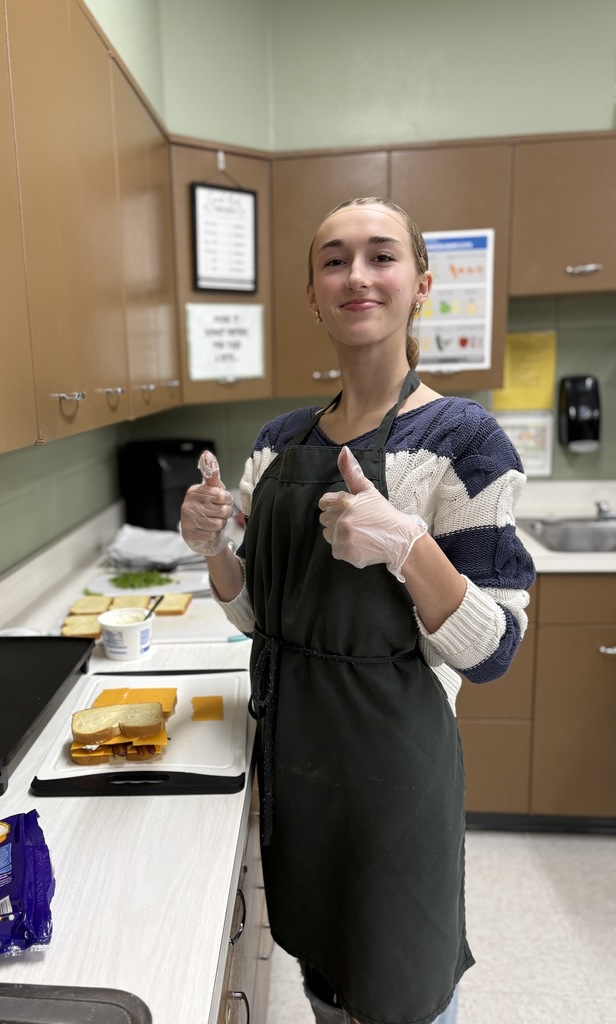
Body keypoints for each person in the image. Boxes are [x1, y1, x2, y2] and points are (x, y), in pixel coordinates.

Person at [180, 197, 536, 1024]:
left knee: (400, 989)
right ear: (312, 294)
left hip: (394, 778)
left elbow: (494, 650)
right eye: (334, 260)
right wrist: (215, 551)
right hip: (298, 761)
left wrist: (409, 546)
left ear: (420, 286)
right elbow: (258, 617)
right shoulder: (276, 444)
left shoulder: (468, 442)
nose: (357, 275)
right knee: (325, 977)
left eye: (382, 256)